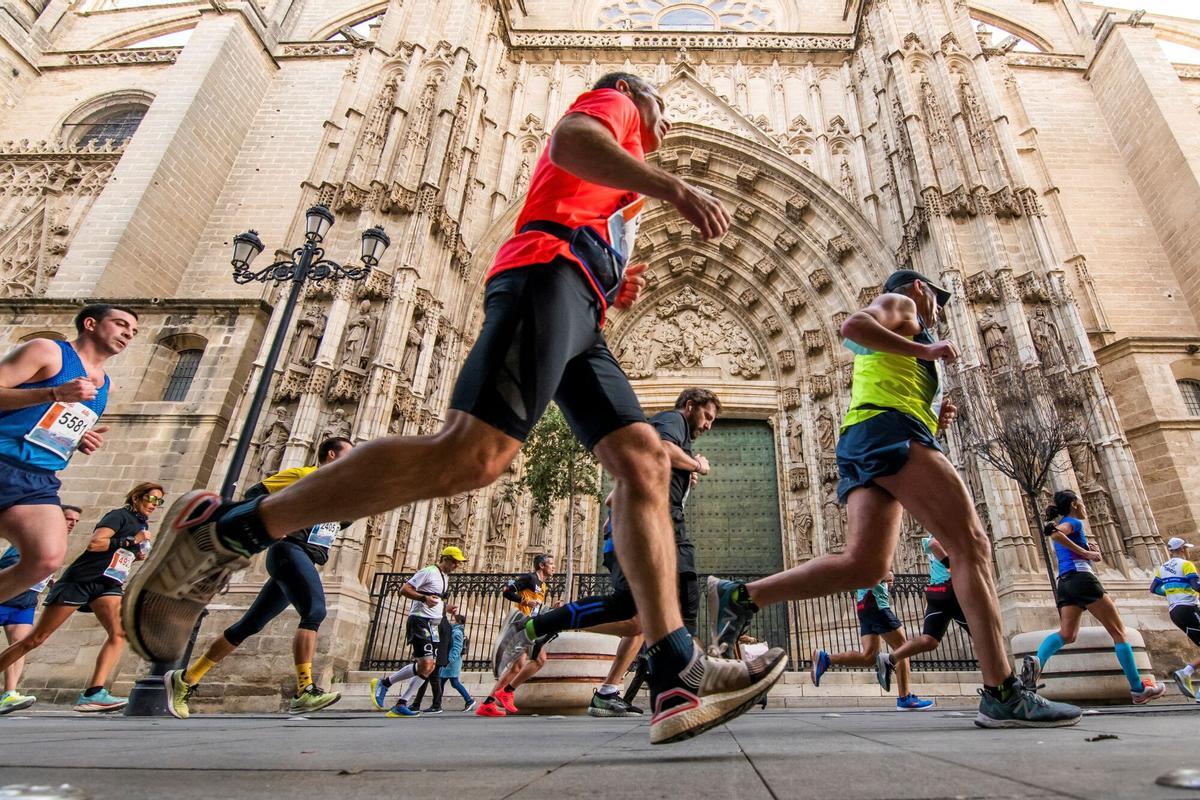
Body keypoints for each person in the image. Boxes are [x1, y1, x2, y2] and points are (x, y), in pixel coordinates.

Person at [125, 71, 784, 746]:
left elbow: (583, 200)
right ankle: (231, 530)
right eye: (660, 107)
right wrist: (674, 187)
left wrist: (616, 279)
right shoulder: (611, 104)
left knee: (644, 462)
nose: (666, 122)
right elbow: (571, 141)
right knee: (471, 458)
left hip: (581, 305)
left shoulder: (622, 189)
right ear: (630, 95)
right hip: (545, 272)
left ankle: (678, 672)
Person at [705, 270, 1082, 728]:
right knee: (971, 546)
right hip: (891, 433)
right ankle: (1002, 690)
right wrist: (926, 349)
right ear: (919, 289)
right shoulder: (901, 305)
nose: (938, 311)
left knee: (865, 565)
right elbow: (851, 328)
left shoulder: (901, 333)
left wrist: (933, 415)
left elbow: (887, 378)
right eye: (937, 300)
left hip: (867, 435)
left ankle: (742, 596)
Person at [493, 388, 721, 717]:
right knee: (674, 604)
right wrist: (696, 466)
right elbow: (658, 449)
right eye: (707, 416)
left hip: (644, 529)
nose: (709, 425)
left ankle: (606, 683)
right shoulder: (672, 422)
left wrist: (679, 476)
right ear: (690, 406)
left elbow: (623, 486)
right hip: (648, 530)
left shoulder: (670, 451)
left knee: (637, 619)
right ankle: (679, 695)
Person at [163, 438, 354, 719]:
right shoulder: (303, 475)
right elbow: (255, 493)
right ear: (330, 454)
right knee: (315, 611)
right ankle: (305, 690)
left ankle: (187, 678)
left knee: (249, 625)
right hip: (289, 551)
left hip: (305, 557)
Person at [0, 304, 136, 608]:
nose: (128, 333)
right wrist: (52, 393)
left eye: (133, 331)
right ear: (90, 323)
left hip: (37, 478)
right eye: (120, 324)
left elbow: (47, 423)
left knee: (46, 558)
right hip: (2, 458)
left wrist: (77, 439)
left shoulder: (105, 385)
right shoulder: (47, 351)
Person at [0, 483, 161, 712]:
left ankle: (94, 693)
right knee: (35, 639)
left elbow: (119, 553)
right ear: (137, 497)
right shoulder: (118, 516)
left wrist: (136, 553)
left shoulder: (141, 525)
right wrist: (130, 541)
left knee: (120, 633)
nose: (155, 505)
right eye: (152, 499)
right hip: (81, 581)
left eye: (159, 502)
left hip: (107, 583)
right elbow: (95, 544)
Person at [1026, 490, 1165, 704]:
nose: (1083, 507)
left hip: (1065, 582)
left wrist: (1086, 550)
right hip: (1083, 580)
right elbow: (1054, 533)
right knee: (1118, 632)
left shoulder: (1071, 524)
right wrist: (1086, 554)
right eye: (1080, 503)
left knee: (1067, 634)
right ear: (1073, 504)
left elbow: (1059, 537)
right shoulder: (1073, 522)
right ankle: (1138, 689)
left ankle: (1037, 661)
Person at [0, 504, 81, 714]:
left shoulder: (57, 542)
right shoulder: (39, 536)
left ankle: (9, 693)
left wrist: (48, 580)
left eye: (76, 521)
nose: (72, 524)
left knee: (19, 645)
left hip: (25, 602)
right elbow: (12, 562)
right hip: (6, 598)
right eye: (68, 519)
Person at [812, 573, 934, 711]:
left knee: (869, 656)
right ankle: (904, 698)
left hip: (864, 605)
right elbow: (866, 571)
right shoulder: (871, 553)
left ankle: (825, 659)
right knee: (903, 648)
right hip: (876, 604)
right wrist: (883, 576)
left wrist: (885, 581)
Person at [370, 546, 467, 717]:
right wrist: (423, 598)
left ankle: (401, 703)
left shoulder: (444, 577)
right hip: (420, 620)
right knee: (427, 664)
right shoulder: (428, 571)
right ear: (446, 559)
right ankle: (384, 684)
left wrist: (446, 607)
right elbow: (404, 589)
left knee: (429, 667)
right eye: (455, 562)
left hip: (434, 624)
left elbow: (434, 599)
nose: (457, 566)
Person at [478, 554, 556, 717]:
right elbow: (507, 591)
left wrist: (550, 608)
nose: (554, 567)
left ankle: (488, 703)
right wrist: (524, 601)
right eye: (551, 564)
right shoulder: (529, 578)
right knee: (539, 660)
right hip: (521, 624)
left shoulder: (543, 585)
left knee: (517, 666)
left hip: (529, 624)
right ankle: (506, 692)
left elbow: (536, 607)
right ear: (541, 565)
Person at [1151, 537, 1200, 699]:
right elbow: (1195, 586)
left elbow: (1154, 588)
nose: (1187, 551)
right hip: (1189, 608)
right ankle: (1186, 672)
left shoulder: (1163, 567)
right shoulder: (1186, 564)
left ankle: (1188, 674)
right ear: (1181, 549)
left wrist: (1172, 592)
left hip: (1174, 611)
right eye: (1186, 548)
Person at [411, 603, 458, 713]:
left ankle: (435, 705)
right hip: (441, 656)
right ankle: (417, 704)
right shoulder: (447, 624)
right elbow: (450, 643)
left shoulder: (437, 622)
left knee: (431, 679)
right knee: (426, 679)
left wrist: (420, 653)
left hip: (434, 654)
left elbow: (431, 639)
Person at [438, 612, 475, 712]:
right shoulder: (454, 631)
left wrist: (449, 660)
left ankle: (469, 700)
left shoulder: (457, 632)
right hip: (449, 662)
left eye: (453, 619)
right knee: (442, 681)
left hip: (452, 662)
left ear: (458, 622)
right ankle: (437, 703)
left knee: (453, 682)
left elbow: (457, 648)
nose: (451, 621)